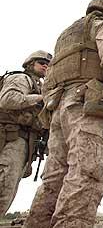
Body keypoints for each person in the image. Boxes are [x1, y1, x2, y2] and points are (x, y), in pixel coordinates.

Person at [24, 0, 103, 228]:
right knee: (87, 174)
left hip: (60, 108)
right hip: (88, 108)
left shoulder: (67, 36)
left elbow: (51, 79)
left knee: (54, 177)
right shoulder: (102, 26)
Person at [0, 50, 52, 216]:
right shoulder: (22, 78)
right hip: (10, 138)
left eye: (48, 64)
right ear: (30, 64)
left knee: (8, 190)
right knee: (4, 186)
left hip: (23, 141)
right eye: (41, 62)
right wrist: (40, 98)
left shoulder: (39, 85)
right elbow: (8, 99)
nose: (45, 65)